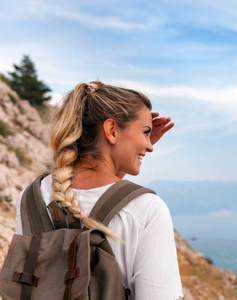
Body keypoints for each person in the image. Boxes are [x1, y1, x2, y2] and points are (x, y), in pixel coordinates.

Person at [14, 81, 183, 300]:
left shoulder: (31, 197)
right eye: (145, 133)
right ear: (112, 130)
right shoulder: (146, 209)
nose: (150, 146)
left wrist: (130, 150)